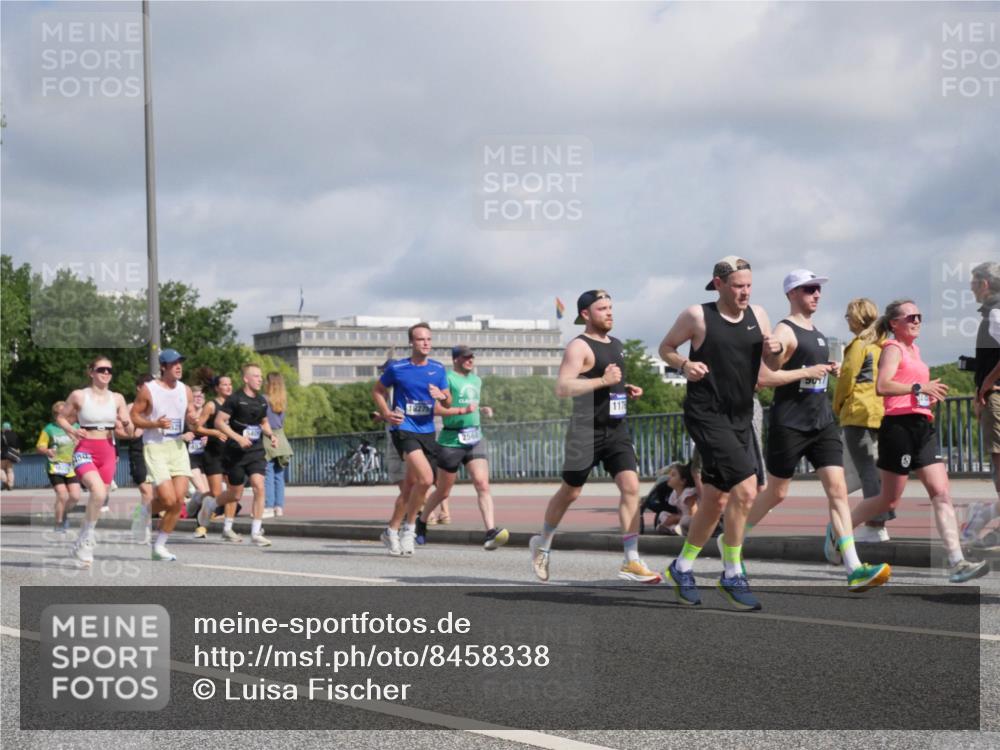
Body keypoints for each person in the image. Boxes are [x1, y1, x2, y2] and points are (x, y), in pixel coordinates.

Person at [742, 271, 890, 592]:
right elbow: (766, 377)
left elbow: (812, 374)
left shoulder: (819, 333)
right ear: (793, 293)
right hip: (790, 422)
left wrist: (827, 372)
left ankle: (853, 567)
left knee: (837, 491)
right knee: (777, 494)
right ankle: (733, 538)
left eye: (818, 289)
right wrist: (793, 362)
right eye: (810, 289)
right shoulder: (785, 330)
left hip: (821, 421)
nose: (817, 294)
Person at [658, 257, 782, 609]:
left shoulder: (758, 315)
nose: (745, 292)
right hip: (706, 414)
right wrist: (685, 363)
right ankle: (731, 574)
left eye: (749, 285)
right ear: (719, 284)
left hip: (741, 415)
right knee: (746, 489)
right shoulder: (697, 316)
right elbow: (665, 348)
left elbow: (769, 368)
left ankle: (681, 568)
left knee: (715, 500)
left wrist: (776, 352)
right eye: (738, 286)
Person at [849, 300, 988, 583]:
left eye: (920, 316)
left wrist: (927, 398)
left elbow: (915, 389)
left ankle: (956, 561)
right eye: (911, 316)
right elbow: (882, 386)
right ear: (894, 324)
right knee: (889, 499)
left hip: (923, 426)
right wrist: (919, 388)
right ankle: (838, 530)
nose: (917, 321)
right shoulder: (892, 348)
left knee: (941, 492)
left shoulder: (916, 350)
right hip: (898, 428)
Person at [528, 289, 658, 583]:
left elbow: (607, 381)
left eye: (611, 307)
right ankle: (543, 544)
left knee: (631, 487)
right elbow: (563, 388)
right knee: (570, 492)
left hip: (617, 430)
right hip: (585, 431)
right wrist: (603, 381)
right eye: (602, 308)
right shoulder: (578, 347)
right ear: (586, 314)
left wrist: (623, 388)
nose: (610, 312)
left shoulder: (617, 344)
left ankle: (631, 559)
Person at [417, 345, 509, 550]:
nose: (470, 360)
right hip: (451, 440)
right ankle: (421, 522)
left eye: (472, 357)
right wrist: (462, 411)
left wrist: (482, 409)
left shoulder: (477, 380)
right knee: (443, 492)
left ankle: (490, 531)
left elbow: (472, 403)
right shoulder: (447, 379)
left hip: (475, 436)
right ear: (456, 359)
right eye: (466, 357)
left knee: (482, 483)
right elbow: (437, 409)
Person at [373, 323, 451, 556]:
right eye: (420, 339)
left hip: (427, 431)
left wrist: (442, 396)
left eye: (428, 339)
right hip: (404, 429)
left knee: (408, 489)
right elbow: (377, 390)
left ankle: (391, 530)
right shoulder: (398, 368)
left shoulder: (438, 369)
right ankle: (410, 530)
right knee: (426, 479)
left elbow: (447, 401)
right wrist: (386, 413)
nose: (426, 343)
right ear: (411, 342)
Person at [57, 356, 132, 568]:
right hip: (85, 449)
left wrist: (127, 423)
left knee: (100, 499)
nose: (106, 373)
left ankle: (82, 540)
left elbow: (130, 431)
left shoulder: (117, 398)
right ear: (91, 372)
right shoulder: (80, 395)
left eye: (109, 370)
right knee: (98, 492)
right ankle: (87, 540)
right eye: (101, 369)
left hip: (108, 450)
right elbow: (61, 418)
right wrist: (72, 430)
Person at [195, 363, 278, 547]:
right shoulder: (234, 399)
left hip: (256, 451)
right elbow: (219, 422)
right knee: (235, 494)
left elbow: (264, 422)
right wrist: (238, 438)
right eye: (256, 376)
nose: (260, 379)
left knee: (259, 486)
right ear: (246, 379)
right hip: (235, 453)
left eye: (261, 376)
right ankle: (211, 504)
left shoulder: (262, 401)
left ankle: (256, 532)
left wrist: (271, 435)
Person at [129, 349, 200, 561]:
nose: (178, 367)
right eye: (173, 363)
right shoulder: (149, 390)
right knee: (168, 499)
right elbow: (134, 416)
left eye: (180, 362)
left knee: (178, 501)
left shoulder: (185, 389)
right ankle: (143, 512)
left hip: (177, 447)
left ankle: (159, 547)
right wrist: (154, 424)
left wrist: (193, 418)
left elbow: (189, 414)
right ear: (163, 367)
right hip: (155, 447)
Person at [833, 297, 894, 542]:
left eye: (848, 316)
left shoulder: (859, 344)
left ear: (857, 318)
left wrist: (837, 405)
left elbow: (848, 378)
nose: (847, 321)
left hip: (858, 412)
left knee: (867, 469)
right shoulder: (884, 344)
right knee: (878, 469)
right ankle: (880, 520)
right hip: (881, 411)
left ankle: (875, 524)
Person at [961, 262, 1000, 543]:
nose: (971, 287)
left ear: (985, 284)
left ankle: (985, 517)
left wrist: (986, 385)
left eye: (974, 282)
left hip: (996, 395)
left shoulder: (995, 311)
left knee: (999, 462)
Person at [192, 369, 241, 542]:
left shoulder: (235, 404)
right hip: (213, 454)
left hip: (232, 454)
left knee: (234, 490)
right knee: (215, 493)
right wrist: (213, 432)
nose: (228, 387)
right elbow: (196, 427)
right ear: (217, 388)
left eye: (230, 384)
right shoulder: (211, 405)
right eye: (224, 384)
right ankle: (201, 522)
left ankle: (228, 528)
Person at [36, 403, 82, 535]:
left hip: (71, 466)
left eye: (64, 413)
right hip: (55, 467)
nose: (61, 416)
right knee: (62, 495)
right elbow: (40, 447)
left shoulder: (75, 427)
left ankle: (63, 512)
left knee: (75, 496)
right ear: (54, 415)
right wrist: (47, 450)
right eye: (57, 414)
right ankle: (59, 522)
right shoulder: (49, 429)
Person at [126, 374, 157, 544]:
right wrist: (133, 431)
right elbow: (121, 431)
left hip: (156, 451)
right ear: (139, 388)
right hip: (138, 451)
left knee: (157, 494)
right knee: (147, 492)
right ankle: (144, 529)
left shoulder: (157, 407)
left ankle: (140, 519)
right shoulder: (130, 407)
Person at [263, 372, 293, 518]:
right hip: (281, 437)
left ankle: (268, 506)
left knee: (268, 473)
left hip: (268, 437)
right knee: (279, 474)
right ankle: (278, 506)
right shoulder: (282, 401)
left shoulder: (264, 400)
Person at [183, 386, 212, 530]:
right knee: (202, 490)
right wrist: (184, 436)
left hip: (205, 459)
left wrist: (210, 441)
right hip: (190, 458)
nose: (199, 398)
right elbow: (170, 435)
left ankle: (191, 506)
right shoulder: (184, 417)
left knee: (208, 492)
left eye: (201, 396)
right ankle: (201, 524)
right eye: (195, 396)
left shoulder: (208, 416)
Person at [653, 462, 698, 536]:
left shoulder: (688, 494)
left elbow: (693, 514)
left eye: (673, 475)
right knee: (662, 514)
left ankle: (675, 529)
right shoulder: (674, 494)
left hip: (692, 520)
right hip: (682, 518)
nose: (669, 477)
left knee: (685, 520)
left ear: (682, 481)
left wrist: (677, 518)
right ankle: (673, 528)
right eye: (669, 474)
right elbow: (679, 510)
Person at [1, 422, 20, 491]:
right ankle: (11, 484)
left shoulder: (1, 435)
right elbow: (18, 447)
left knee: (0, 469)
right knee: (10, 471)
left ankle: (5, 481)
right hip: (12, 456)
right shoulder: (14, 435)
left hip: (3, 455)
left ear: (3, 428)